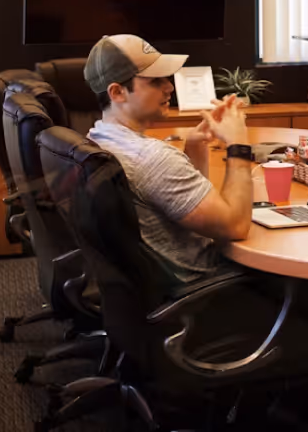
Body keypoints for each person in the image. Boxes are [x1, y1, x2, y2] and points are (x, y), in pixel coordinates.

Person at [83, 34, 255, 283]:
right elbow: (235, 226)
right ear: (118, 92)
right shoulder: (152, 158)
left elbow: (182, 204)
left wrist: (195, 145)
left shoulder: (98, 137)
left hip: (150, 290)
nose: (169, 87)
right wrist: (238, 145)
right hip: (209, 287)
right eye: (155, 81)